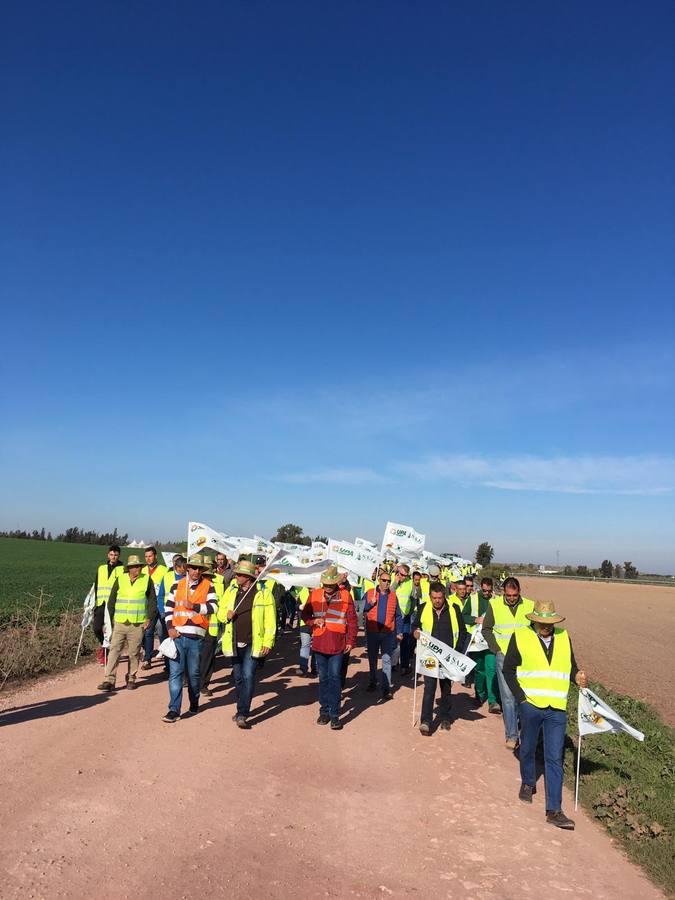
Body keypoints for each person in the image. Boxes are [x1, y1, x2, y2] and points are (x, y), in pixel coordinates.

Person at [503, 598, 588, 830]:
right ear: (534, 620)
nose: (546, 626)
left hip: (556, 710)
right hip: (530, 706)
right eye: (541, 622)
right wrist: (521, 699)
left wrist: (578, 676)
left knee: (554, 757)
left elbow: (570, 666)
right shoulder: (520, 637)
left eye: (549, 622)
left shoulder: (563, 637)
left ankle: (554, 810)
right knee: (528, 748)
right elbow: (508, 670)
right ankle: (528, 782)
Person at [217, 559, 277, 728]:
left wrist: (268, 642)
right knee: (237, 678)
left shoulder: (264, 594)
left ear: (248, 577)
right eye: (236, 574)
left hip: (253, 642)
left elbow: (270, 621)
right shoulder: (231, 591)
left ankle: (243, 713)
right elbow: (220, 611)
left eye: (240, 574)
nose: (236, 576)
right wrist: (225, 615)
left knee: (248, 675)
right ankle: (240, 706)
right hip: (234, 641)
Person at [163, 554, 219, 723]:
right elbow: (168, 607)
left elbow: (214, 607)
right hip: (178, 635)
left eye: (199, 568)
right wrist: (170, 628)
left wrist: (193, 606)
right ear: (187, 568)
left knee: (194, 675)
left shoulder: (209, 586)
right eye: (193, 568)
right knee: (175, 674)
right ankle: (174, 709)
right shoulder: (177, 585)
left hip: (196, 637)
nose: (196, 571)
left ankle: (194, 702)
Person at [302, 566, 357, 729]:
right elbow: (305, 615)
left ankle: (334, 715)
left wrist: (351, 641)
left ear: (335, 583)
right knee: (323, 679)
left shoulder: (346, 596)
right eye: (324, 584)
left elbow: (352, 620)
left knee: (335, 679)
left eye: (329, 584)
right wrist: (313, 622)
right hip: (319, 643)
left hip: (338, 645)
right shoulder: (315, 594)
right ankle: (323, 712)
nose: (326, 587)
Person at [483, 576, 534, 749]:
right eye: (508, 595)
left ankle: (521, 727)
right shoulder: (495, 605)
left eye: (514, 595)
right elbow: (486, 629)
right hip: (503, 656)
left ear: (519, 592)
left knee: (522, 695)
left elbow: (535, 630)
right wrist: (496, 648)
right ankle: (512, 736)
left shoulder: (529, 605)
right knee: (508, 697)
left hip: (524, 658)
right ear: (504, 592)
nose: (511, 598)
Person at [412, 582, 467, 735]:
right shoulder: (423, 608)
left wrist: (457, 651)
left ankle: (445, 718)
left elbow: (462, 632)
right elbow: (415, 626)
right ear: (430, 596)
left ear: (444, 596)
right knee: (429, 688)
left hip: (448, 657)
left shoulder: (454, 610)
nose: (437, 600)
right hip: (429, 656)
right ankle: (426, 721)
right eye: (434, 598)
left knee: (446, 689)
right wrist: (415, 632)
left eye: (439, 598)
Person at [97, 555, 156, 692]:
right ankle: (109, 680)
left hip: (137, 623)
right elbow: (112, 601)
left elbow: (152, 600)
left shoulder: (146, 580)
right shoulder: (121, 579)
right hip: (120, 621)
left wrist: (149, 618)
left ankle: (131, 678)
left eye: (139, 566)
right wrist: (108, 621)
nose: (138, 568)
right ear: (129, 568)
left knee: (134, 652)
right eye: (135, 566)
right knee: (114, 650)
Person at [363, 570, 403, 701]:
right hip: (372, 632)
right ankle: (372, 681)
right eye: (384, 580)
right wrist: (370, 604)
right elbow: (360, 610)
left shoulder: (393, 596)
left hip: (387, 633)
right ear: (379, 581)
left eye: (388, 581)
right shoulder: (369, 593)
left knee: (386, 659)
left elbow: (398, 616)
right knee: (372, 658)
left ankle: (386, 688)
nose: (386, 583)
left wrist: (399, 632)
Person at [462, 576, 500, 712]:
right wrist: (475, 619)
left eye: (488, 591)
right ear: (481, 588)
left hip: (490, 641)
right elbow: (463, 616)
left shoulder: (497, 600)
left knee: (491, 669)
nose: (486, 593)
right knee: (480, 670)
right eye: (484, 591)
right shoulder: (472, 598)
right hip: (476, 641)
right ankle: (479, 695)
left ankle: (492, 701)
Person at [92, 545, 124, 665]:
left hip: (115, 605)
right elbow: (96, 585)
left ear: (119, 555)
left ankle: (107, 653)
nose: (113, 557)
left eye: (115, 555)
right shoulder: (101, 568)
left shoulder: (123, 569)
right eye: (111, 554)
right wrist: (95, 602)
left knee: (112, 631)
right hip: (101, 603)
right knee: (96, 628)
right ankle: (104, 646)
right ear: (108, 555)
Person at [200, 558, 226, 697]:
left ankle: (203, 684)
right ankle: (189, 678)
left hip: (212, 626)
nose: (207, 578)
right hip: (195, 626)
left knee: (208, 657)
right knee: (193, 655)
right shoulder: (194, 585)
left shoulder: (220, 583)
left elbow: (223, 602)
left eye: (210, 575)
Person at [141, 546, 168, 668]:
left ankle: (167, 660)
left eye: (150, 556)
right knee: (148, 631)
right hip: (149, 606)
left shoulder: (164, 570)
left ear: (155, 556)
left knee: (163, 632)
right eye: (146, 557)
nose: (148, 559)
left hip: (161, 604)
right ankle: (147, 658)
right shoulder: (142, 571)